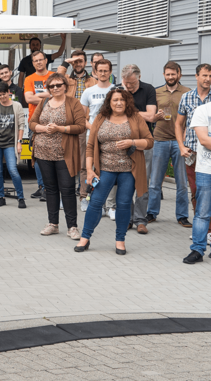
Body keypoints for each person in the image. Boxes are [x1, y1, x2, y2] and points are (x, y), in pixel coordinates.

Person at [76, 88, 154, 254]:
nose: (119, 103)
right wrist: (89, 170)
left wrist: (132, 142)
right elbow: (90, 146)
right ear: (109, 103)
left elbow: (149, 141)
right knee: (95, 203)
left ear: (127, 102)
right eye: (115, 100)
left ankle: (120, 240)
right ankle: (85, 238)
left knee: (124, 205)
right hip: (105, 169)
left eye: (122, 100)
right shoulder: (100, 118)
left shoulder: (135, 117)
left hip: (128, 170)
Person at [30, 73, 86, 238]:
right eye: (52, 86)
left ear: (65, 86)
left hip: (64, 153)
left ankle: (72, 227)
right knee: (51, 189)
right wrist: (44, 128)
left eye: (58, 85)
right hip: (43, 152)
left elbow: (80, 126)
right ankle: (53, 224)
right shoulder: (44, 102)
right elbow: (32, 123)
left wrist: (59, 129)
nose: (55, 88)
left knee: (67, 189)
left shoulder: (74, 103)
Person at [149, 61, 191, 227]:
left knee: (182, 182)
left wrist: (185, 138)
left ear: (179, 74)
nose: (171, 77)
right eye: (168, 74)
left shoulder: (187, 92)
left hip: (180, 142)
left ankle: (182, 216)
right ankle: (151, 212)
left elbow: (191, 117)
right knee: (155, 181)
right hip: (160, 139)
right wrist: (156, 117)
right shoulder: (156, 92)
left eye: (173, 74)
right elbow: (150, 116)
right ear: (164, 75)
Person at [120, 64, 158, 234]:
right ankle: (127, 218)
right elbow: (115, 112)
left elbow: (151, 116)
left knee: (142, 181)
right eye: (126, 83)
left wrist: (129, 112)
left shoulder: (148, 89)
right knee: (125, 182)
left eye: (132, 83)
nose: (129, 86)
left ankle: (141, 220)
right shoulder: (120, 91)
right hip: (123, 141)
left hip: (143, 142)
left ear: (139, 77)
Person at [80, 58, 116, 219]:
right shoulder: (88, 91)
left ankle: (111, 206)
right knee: (95, 171)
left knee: (112, 169)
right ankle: (98, 204)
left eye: (105, 70)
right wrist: (93, 129)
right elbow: (81, 117)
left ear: (110, 72)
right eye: (100, 70)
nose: (103, 73)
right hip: (93, 137)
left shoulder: (115, 90)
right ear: (95, 71)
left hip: (112, 137)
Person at [177, 64, 211, 234]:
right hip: (192, 153)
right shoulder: (186, 97)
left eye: (210, 76)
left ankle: (209, 232)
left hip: (210, 152)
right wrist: (181, 146)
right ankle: (201, 230)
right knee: (196, 191)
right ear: (197, 76)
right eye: (204, 75)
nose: (208, 79)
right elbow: (178, 124)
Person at [60, 50, 96, 209]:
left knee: (83, 164)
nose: (78, 64)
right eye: (75, 62)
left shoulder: (93, 81)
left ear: (86, 63)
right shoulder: (66, 79)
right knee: (65, 163)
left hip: (84, 126)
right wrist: (66, 63)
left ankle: (83, 197)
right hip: (67, 125)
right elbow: (54, 80)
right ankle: (65, 197)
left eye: (80, 61)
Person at [0, 81, 26, 208]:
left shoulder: (17, 106)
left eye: (4, 94)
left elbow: (21, 125)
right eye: (0, 95)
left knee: (13, 170)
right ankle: (1, 196)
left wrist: (19, 142)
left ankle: (21, 197)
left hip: (10, 143)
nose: (2, 97)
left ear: (9, 93)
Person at [24, 50, 56, 201]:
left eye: (41, 59)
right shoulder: (29, 79)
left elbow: (60, 95)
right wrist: (49, 96)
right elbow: (29, 98)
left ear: (46, 60)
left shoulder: (54, 76)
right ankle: (42, 187)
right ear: (33, 63)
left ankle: (51, 187)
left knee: (52, 154)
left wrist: (39, 95)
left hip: (54, 120)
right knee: (37, 156)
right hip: (35, 121)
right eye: (35, 60)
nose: (38, 62)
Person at [184, 99, 211, 264]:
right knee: (202, 212)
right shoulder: (203, 110)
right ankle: (198, 250)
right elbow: (204, 140)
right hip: (206, 170)